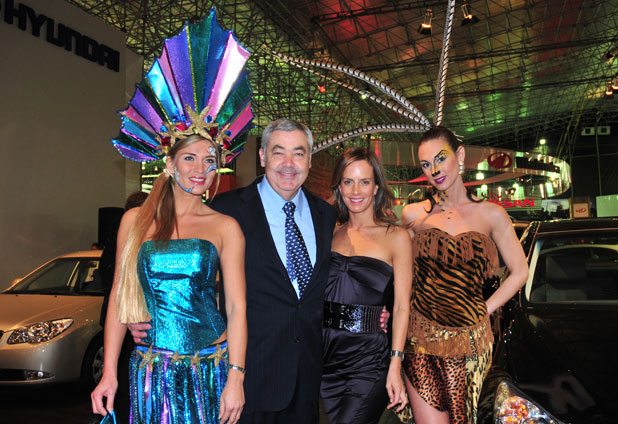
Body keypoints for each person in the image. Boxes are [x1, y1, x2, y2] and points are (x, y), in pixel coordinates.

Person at [130, 118, 336, 423]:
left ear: (309, 160)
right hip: (244, 377)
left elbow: (329, 287)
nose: (288, 164)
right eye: (279, 152)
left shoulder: (325, 215)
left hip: (306, 378)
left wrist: (368, 315)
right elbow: (163, 261)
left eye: (298, 153)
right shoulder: (224, 209)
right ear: (262, 156)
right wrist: (136, 311)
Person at [91, 134, 248, 424]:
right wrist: (109, 372)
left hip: (209, 366)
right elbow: (118, 295)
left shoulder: (225, 227)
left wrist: (236, 377)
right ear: (170, 163)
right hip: (152, 369)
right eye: (190, 158)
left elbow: (236, 308)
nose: (200, 169)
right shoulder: (135, 221)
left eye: (209, 160)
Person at [400, 126, 528, 424]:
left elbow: (520, 271)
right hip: (420, 340)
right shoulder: (413, 215)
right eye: (426, 164)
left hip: (470, 344)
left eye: (440, 158)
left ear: (459, 155)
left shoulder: (492, 214)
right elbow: (401, 276)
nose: (435, 170)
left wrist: (485, 310)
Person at [321, 147, 411, 423]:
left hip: (368, 360)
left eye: (364, 182)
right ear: (339, 187)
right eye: (348, 181)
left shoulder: (396, 237)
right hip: (324, 357)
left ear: (376, 188)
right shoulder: (328, 233)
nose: (356, 190)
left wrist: (395, 364)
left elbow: (401, 307)